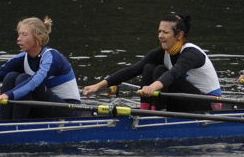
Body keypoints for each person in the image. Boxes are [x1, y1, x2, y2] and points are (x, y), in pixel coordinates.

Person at [81, 12, 221, 112]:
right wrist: (98, 86)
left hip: (210, 104)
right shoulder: (161, 53)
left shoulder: (191, 54)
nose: (160, 36)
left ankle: (156, 114)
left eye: (165, 33)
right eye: (159, 31)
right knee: (148, 67)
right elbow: (133, 70)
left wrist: (151, 88)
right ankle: (147, 111)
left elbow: (173, 73)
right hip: (184, 99)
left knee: (161, 71)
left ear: (179, 35)